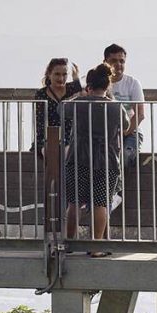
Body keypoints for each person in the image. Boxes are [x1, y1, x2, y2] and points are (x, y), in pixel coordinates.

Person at [67, 63, 117, 240]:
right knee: (101, 203)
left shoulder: (79, 104)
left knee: (74, 203)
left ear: (89, 86)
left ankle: (70, 243)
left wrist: (79, 95)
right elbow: (126, 125)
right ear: (107, 85)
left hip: (78, 156)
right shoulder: (114, 107)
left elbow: (61, 110)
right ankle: (96, 247)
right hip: (106, 159)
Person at [103, 43, 146, 234]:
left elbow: (140, 114)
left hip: (129, 133)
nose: (118, 65)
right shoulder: (100, 81)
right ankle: (108, 195)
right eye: (114, 61)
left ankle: (114, 193)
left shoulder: (132, 83)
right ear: (106, 62)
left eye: (122, 61)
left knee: (127, 156)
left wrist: (125, 132)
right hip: (105, 134)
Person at [34, 57, 77, 231]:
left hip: (69, 138)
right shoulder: (41, 94)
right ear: (49, 75)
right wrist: (42, 144)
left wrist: (75, 76)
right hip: (47, 137)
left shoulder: (72, 89)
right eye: (57, 74)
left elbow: (84, 88)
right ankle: (54, 212)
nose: (61, 78)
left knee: (67, 155)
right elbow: (39, 123)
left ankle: (65, 205)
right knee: (52, 155)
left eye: (64, 74)